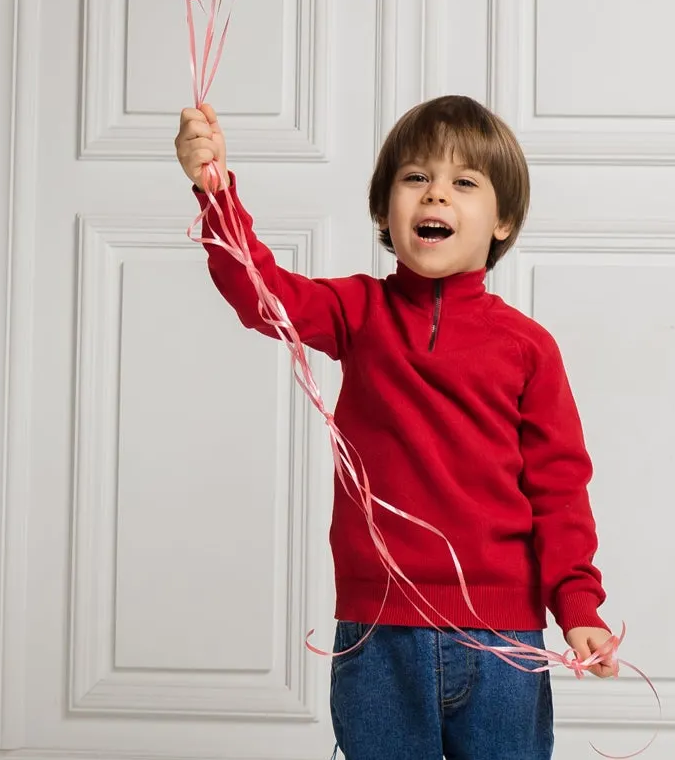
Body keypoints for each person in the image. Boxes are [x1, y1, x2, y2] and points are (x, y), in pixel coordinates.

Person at [175, 93, 617, 760]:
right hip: (377, 635)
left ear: (503, 221)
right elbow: (259, 290)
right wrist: (214, 192)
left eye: (464, 182)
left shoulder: (528, 348)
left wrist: (578, 605)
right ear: (385, 211)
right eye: (416, 177)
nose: (436, 192)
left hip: (504, 643)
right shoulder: (358, 311)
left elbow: (559, 491)